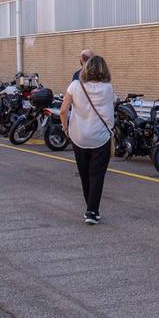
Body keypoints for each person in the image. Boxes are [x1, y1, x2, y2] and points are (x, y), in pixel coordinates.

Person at [60, 54, 115, 224]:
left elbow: (63, 110)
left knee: (84, 174)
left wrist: (65, 128)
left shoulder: (75, 85)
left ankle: (90, 209)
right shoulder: (108, 88)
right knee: (97, 175)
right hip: (101, 137)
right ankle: (92, 211)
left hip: (79, 137)